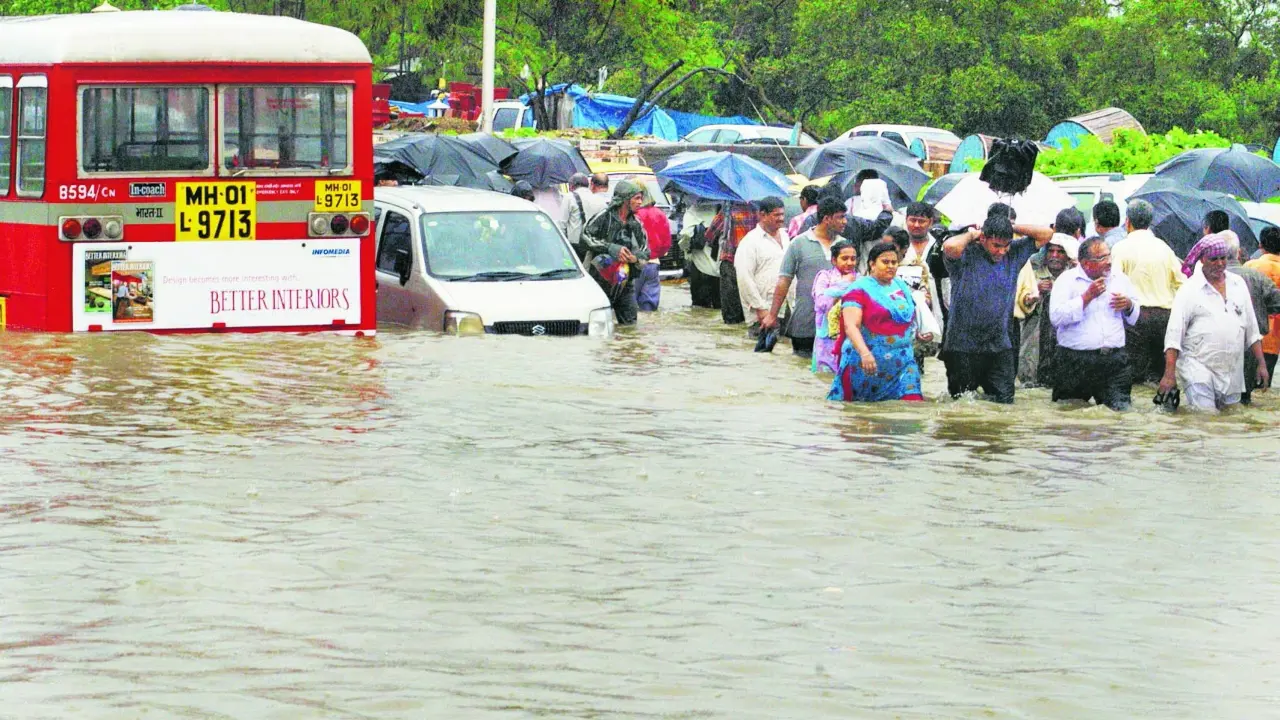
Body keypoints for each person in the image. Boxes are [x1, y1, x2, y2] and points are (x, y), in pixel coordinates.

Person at [941, 213, 1050, 403]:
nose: (1001, 251)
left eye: (1005, 245)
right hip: (962, 345)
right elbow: (950, 246)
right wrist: (974, 234)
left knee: (1005, 403)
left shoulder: (1014, 254)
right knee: (961, 403)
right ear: (983, 239)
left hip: (999, 345)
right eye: (996, 246)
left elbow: (1046, 234)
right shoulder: (966, 255)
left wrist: (1012, 227)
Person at [1159, 233, 1269, 411]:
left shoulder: (1238, 284)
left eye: (1223, 258)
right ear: (1202, 259)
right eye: (1214, 259)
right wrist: (1169, 375)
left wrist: (1261, 364)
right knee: (1206, 420)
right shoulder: (1189, 290)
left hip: (1232, 370)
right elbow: (1173, 335)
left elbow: (1252, 329)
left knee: (1230, 423)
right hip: (1198, 368)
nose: (1219, 264)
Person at [1048, 237, 1142, 410]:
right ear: (1086, 264)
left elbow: (1135, 316)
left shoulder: (1119, 278)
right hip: (1075, 362)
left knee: (1120, 414)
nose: (1108, 262)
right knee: (1068, 414)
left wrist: (1128, 305)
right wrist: (1086, 298)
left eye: (1109, 256)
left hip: (1114, 361)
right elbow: (1056, 318)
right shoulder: (1067, 280)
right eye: (1102, 258)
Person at [827, 241, 926, 402]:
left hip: (902, 362)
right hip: (866, 363)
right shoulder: (858, 289)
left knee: (912, 407)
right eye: (885, 262)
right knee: (860, 415)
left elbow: (907, 317)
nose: (891, 266)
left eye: (894, 262)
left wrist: (920, 333)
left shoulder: (901, 286)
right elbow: (851, 325)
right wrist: (865, 353)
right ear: (872, 264)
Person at [763, 197, 846, 362]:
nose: (845, 222)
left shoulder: (845, 246)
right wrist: (772, 315)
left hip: (837, 326)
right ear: (827, 219)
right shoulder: (799, 243)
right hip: (805, 323)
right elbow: (784, 281)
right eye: (840, 217)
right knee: (801, 370)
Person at [1112, 199, 1183, 384]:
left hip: (1136, 318)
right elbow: (1182, 283)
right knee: (1159, 378)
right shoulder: (1165, 249)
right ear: (1150, 222)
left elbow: (1114, 284)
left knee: (1133, 378)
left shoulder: (1121, 248)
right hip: (1165, 318)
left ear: (1127, 222)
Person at [580, 180, 649, 325]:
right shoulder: (604, 216)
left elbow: (645, 251)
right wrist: (611, 248)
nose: (640, 202)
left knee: (630, 329)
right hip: (600, 280)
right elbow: (585, 237)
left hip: (625, 280)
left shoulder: (636, 223)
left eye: (641, 198)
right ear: (625, 199)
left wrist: (634, 258)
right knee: (598, 325)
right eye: (636, 198)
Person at [1014, 233, 1078, 386]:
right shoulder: (1033, 275)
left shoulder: (1074, 278)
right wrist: (1035, 291)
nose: (1054, 256)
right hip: (1034, 345)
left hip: (1063, 344)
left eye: (1060, 252)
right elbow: (1018, 306)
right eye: (1051, 251)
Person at [734, 197, 789, 334]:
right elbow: (744, 279)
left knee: (783, 352)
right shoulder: (750, 242)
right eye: (776, 215)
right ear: (762, 215)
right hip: (763, 311)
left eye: (782, 214)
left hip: (786, 308)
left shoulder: (785, 236)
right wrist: (760, 308)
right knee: (763, 353)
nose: (781, 218)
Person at [812, 239, 859, 374]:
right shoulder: (824, 277)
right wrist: (844, 284)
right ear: (834, 260)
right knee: (824, 378)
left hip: (851, 336)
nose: (850, 263)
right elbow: (821, 303)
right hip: (826, 339)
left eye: (853, 259)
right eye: (844, 258)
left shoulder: (860, 279)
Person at [708, 203, 756, 325]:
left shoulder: (728, 210)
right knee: (749, 310)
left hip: (730, 261)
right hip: (752, 263)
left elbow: (710, 234)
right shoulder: (759, 210)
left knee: (731, 315)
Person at [1244, 226, 1280, 388]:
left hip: (1248, 335)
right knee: (1264, 386)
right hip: (1273, 340)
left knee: (1245, 385)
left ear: (1260, 245)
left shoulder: (1250, 267)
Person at [633, 188, 672, 312]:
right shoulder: (660, 214)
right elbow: (667, 243)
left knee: (629, 306)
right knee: (649, 308)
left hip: (634, 264)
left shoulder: (632, 215)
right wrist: (655, 255)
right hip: (653, 264)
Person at [564, 172, 609, 252]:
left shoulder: (569, 197)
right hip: (591, 245)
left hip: (574, 245)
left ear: (571, 186)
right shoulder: (597, 199)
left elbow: (562, 224)